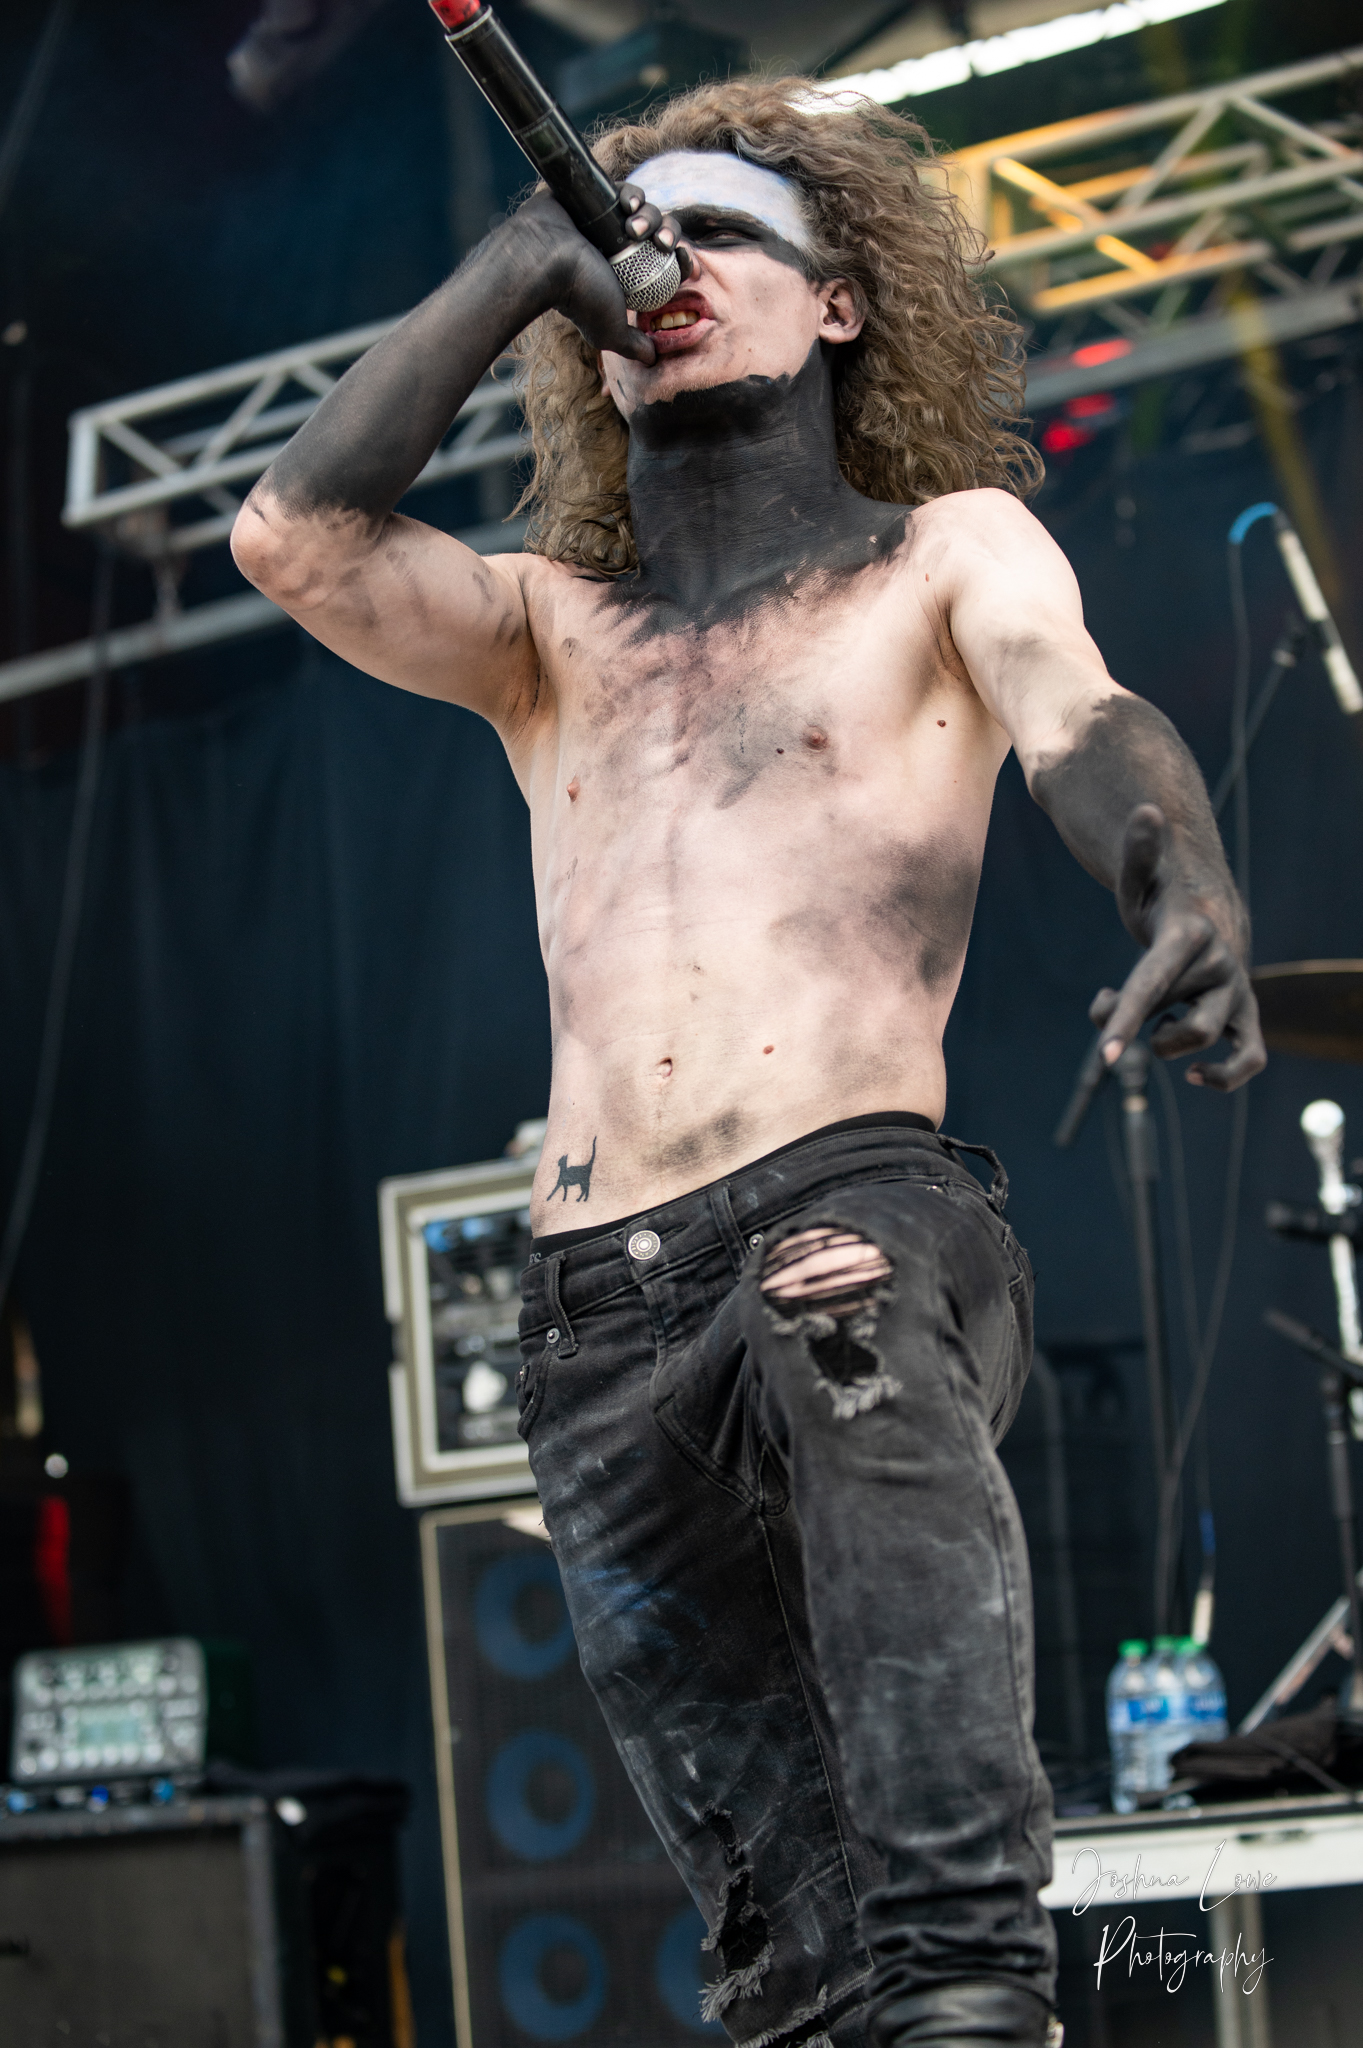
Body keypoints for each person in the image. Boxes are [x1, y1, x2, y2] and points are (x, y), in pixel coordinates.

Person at [232, 76, 1263, 2048]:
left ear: (841, 305)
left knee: (938, 1938)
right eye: (631, 243)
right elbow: (293, 533)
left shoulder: (939, 553)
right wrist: (524, 256)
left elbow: (1078, 709)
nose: (663, 263)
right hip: (592, 1315)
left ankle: (980, 1995)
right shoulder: (550, 629)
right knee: (792, 1959)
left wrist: (1180, 867)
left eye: (716, 232)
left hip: (842, 1202)